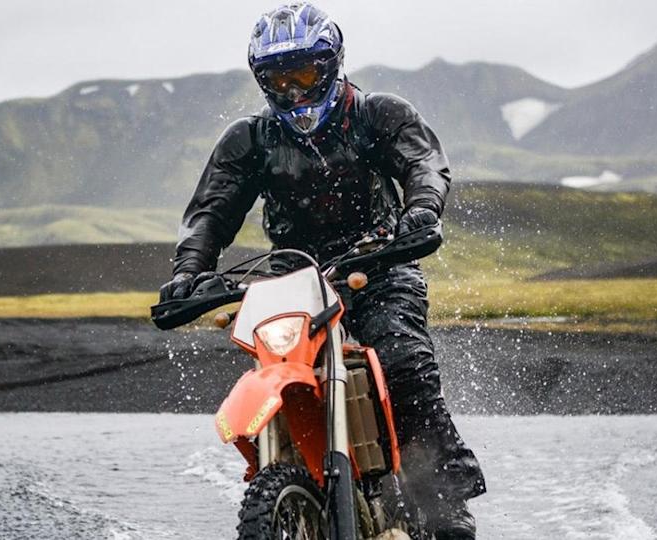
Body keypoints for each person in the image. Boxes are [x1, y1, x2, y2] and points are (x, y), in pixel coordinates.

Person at [159, 3, 486, 538]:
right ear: (262, 81)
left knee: (403, 359)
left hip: (380, 264)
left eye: (305, 74)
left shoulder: (378, 114)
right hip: (294, 281)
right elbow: (209, 213)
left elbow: (423, 164)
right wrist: (188, 271)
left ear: (331, 65)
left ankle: (445, 503)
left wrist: (422, 211)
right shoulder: (250, 140)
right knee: (270, 368)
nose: (295, 92)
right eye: (279, 79)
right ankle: (290, 475)